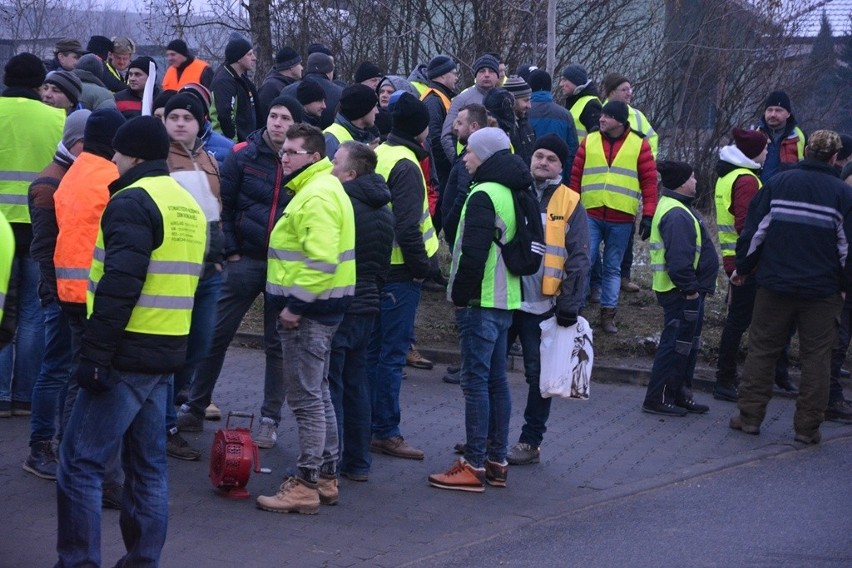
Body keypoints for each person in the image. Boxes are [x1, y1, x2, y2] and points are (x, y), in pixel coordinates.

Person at [56, 115, 206, 566]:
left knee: (80, 462)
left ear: (134, 156)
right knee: (149, 468)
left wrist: (95, 354)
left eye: (118, 154)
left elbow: (121, 283)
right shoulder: (185, 202)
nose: (113, 161)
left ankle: (78, 561)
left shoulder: (130, 201)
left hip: (125, 350)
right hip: (166, 348)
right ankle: (143, 560)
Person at [176, 96, 303, 447]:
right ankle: (195, 405)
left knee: (277, 344)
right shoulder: (244, 155)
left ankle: (269, 419)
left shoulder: (304, 163)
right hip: (244, 259)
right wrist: (229, 249)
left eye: (286, 118)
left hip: (283, 265)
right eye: (274, 116)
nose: (278, 123)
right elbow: (224, 205)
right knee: (214, 334)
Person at [256, 123, 355, 514]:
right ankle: (327, 477)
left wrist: (294, 306)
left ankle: (306, 483)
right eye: (282, 151)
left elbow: (320, 260)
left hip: (309, 314)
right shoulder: (322, 188)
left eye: (292, 152)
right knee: (319, 393)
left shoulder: (315, 195)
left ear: (313, 156)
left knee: (305, 399)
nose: (284, 157)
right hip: (323, 310)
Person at [730, 130, 852, 445]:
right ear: (835, 158)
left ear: (806, 151)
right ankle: (807, 428)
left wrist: (743, 268)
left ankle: (749, 418)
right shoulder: (843, 195)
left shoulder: (778, 184)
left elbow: (755, 232)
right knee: (817, 358)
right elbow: (847, 250)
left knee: (762, 351)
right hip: (822, 293)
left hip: (774, 285)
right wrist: (844, 286)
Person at [429, 127, 529, 492]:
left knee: (474, 383)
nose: (465, 157)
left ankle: (472, 465)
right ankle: (496, 461)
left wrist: (459, 295)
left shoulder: (484, 193)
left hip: (480, 300)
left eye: (469, 151)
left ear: (485, 154)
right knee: (497, 381)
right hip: (506, 299)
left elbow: (472, 252)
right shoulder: (513, 189)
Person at [52, 109, 128, 506]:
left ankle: (67, 458)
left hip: (70, 291)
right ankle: (100, 475)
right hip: (95, 295)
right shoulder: (110, 179)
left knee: (76, 378)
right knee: (101, 386)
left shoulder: (76, 173)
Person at [505, 134, 589, 465]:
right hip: (506, 297)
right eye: (538, 155)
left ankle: (530, 441)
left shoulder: (569, 201)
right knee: (490, 371)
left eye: (550, 159)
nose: (542, 162)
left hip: (542, 305)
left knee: (539, 378)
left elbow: (579, 257)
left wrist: (570, 304)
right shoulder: (515, 191)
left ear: (560, 165)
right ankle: (486, 434)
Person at [368, 93, 438, 460]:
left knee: (373, 352)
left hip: (378, 269)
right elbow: (409, 228)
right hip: (400, 274)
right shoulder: (407, 164)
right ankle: (385, 431)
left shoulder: (380, 153)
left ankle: (367, 424)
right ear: (422, 128)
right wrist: (421, 268)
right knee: (391, 356)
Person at [22, 109, 89, 478]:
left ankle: (65, 442)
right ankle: (40, 446)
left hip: (73, 291)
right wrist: (57, 295)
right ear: (73, 141)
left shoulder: (76, 174)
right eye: (87, 143)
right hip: (60, 294)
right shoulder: (50, 183)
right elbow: (44, 248)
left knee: (68, 369)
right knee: (56, 369)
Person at [0, 53, 65, 418]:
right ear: (40, 84)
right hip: (41, 226)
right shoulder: (57, 118)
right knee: (32, 313)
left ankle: (0, 396)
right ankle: (25, 397)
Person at [163, 93, 225, 460]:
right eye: (175, 116)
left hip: (208, 270)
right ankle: (164, 422)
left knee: (200, 344)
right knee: (173, 346)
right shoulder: (158, 158)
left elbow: (216, 211)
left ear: (200, 121)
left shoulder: (208, 158)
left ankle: (171, 405)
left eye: (188, 116)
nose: (181, 122)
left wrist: (219, 255)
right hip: (174, 271)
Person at [327, 141, 393, 482]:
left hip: (343, 302)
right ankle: (358, 462)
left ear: (351, 173)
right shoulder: (382, 205)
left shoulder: (344, 204)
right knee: (356, 384)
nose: (329, 166)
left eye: (335, 162)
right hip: (368, 302)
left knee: (332, 385)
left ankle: (329, 463)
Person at [569, 100, 657, 334]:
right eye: (602, 116)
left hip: (621, 217)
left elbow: (649, 182)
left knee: (612, 268)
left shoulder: (640, 144)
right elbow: (575, 177)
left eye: (607, 116)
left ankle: (608, 314)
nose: (601, 119)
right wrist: (572, 208)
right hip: (589, 212)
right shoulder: (589, 140)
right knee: (583, 261)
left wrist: (648, 214)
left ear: (619, 121)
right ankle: (575, 310)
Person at [642, 161, 718, 416]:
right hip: (681, 292)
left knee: (687, 345)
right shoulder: (677, 214)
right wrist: (690, 290)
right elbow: (679, 259)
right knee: (675, 345)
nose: (696, 181)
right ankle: (658, 398)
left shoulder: (679, 208)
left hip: (685, 291)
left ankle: (679, 394)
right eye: (693, 177)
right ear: (684, 182)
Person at [712, 128, 769, 402]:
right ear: (752, 152)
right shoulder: (746, 180)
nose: (767, 152)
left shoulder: (730, 174)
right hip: (745, 261)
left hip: (734, 257)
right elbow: (746, 225)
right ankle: (725, 379)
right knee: (739, 322)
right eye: (764, 148)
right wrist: (747, 265)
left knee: (737, 320)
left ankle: (726, 376)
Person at [441, 103, 487, 250]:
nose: (455, 128)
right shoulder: (479, 151)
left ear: (473, 126)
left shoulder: (471, 158)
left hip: (460, 234)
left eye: (460, 123)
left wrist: (449, 226)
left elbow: (463, 195)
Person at [440, 54, 500, 161]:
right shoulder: (462, 99)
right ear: (475, 76)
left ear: (497, 76)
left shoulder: (505, 99)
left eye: (491, 71)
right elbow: (447, 136)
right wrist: (458, 162)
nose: (486, 75)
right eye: (482, 71)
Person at [527, 69, 578, 179]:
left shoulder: (524, 111)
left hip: (528, 177)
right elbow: (572, 152)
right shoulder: (565, 115)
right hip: (557, 178)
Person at [211, 35, 259, 142]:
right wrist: (233, 144)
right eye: (249, 54)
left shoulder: (240, 78)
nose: (254, 58)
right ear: (238, 58)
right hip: (232, 147)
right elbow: (225, 116)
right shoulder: (224, 82)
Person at [282, 52, 342, 129]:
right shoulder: (341, 93)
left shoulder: (287, 90)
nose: (324, 106)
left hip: (291, 137)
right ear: (329, 71)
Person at [755, 90, 805, 183]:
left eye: (778, 110)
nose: (773, 114)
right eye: (769, 110)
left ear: (788, 114)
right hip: (759, 192)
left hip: (787, 193)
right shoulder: (755, 134)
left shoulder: (799, 136)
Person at [323, 84, 379, 159]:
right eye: (374, 106)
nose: (377, 111)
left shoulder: (368, 135)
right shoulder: (330, 138)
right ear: (363, 109)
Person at [559, 64, 601, 145]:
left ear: (575, 82)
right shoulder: (574, 100)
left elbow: (598, 140)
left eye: (564, 80)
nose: (561, 84)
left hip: (583, 156)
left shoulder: (591, 105)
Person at [257, 47, 303, 119]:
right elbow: (263, 115)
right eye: (299, 64)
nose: (302, 68)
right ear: (291, 67)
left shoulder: (289, 84)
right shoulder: (270, 87)